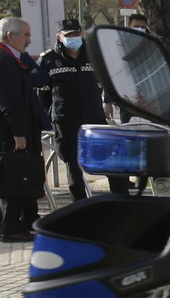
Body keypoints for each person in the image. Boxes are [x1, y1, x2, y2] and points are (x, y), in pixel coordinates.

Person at [40, 18, 129, 200]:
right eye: (69, 35)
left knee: (110, 162)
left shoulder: (93, 56)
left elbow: (107, 81)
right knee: (73, 166)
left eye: (77, 33)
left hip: (93, 118)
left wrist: (107, 102)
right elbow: (44, 94)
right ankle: (80, 205)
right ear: (59, 37)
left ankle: (120, 199)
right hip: (66, 121)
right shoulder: (49, 60)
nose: (74, 37)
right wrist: (52, 114)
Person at [0, 17, 49, 241]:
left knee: (25, 176)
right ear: (11, 35)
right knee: (14, 178)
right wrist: (19, 134)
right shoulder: (4, 60)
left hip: (25, 126)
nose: (29, 40)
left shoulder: (16, 58)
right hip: (12, 131)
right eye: (26, 35)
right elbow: (9, 101)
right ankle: (10, 226)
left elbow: (40, 77)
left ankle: (28, 220)